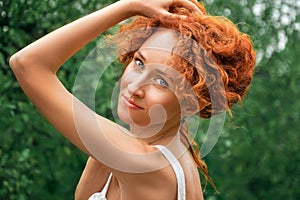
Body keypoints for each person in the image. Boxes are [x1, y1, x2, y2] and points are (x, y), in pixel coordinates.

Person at [9, 0, 256, 199]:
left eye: (162, 81)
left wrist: (128, 5)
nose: (135, 87)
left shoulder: (147, 164)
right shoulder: (143, 148)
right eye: (139, 62)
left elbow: (27, 64)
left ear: (193, 102)